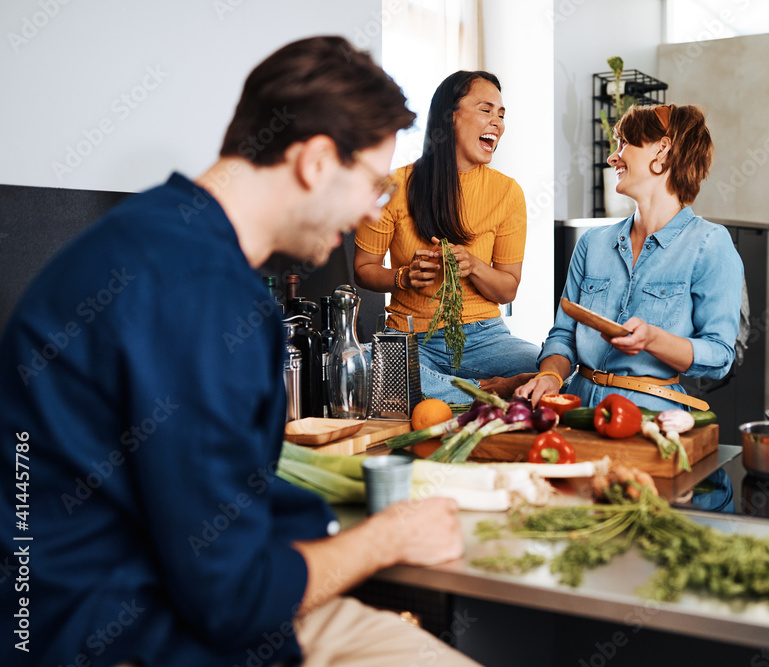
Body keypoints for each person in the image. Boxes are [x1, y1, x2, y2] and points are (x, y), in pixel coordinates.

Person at [0, 37, 477, 667]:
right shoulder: (202, 293)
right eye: (373, 186)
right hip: (112, 635)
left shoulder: (155, 230)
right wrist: (389, 538)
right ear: (313, 161)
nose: (372, 209)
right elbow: (232, 599)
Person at [516, 104, 743, 413]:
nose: (613, 157)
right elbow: (564, 335)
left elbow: (719, 356)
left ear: (662, 149)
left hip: (651, 417)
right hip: (577, 409)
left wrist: (652, 339)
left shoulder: (710, 244)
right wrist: (550, 376)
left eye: (625, 143)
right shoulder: (592, 243)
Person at [353, 70, 540, 404]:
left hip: (484, 339)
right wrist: (403, 277)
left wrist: (475, 266)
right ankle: (481, 391)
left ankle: (442, 392)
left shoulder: (508, 193)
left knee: (558, 371)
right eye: (486, 110)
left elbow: (508, 287)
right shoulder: (394, 186)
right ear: (450, 116)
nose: (497, 122)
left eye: (501, 114)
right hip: (409, 337)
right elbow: (364, 267)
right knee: (364, 364)